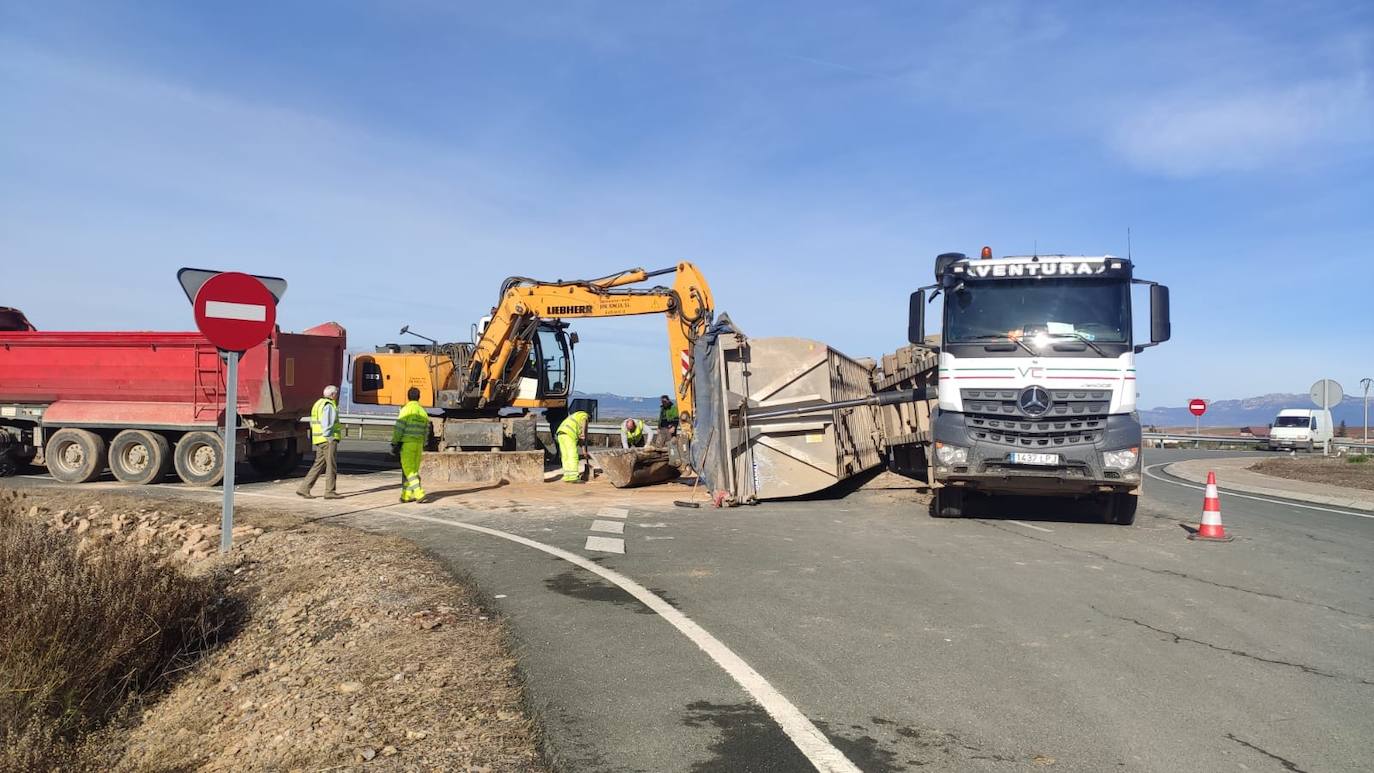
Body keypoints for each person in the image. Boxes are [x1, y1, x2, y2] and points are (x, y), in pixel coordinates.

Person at [297, 385, 342, 499]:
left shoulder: (318, 403)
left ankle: (304, 488)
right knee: (331, 465)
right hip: (328, 440)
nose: (337, 396)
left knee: (319, 464)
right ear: (333, 395)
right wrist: (329, 437)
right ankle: (330, 491)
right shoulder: (329, 405)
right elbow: (327, 423)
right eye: (336, 393)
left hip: (319, 439)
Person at [391, 387, 429, 503]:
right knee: (413, 470)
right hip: (418, 445)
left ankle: (419, 493)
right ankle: (406, 495)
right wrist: (424, 443)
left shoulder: (406, 410)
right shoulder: (423, 412)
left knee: (408, 470)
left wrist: (394, 442)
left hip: (407, 444)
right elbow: (426, 431)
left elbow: (399, 428)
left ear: (408, 397)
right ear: (419, 397)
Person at [556, 410, 590, 483]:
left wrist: (584, 451)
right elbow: (584, 420)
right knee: (572, 455)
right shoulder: (583, 414)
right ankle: (573, 477)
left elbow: (581, 441)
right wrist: (583, 433)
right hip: (569, 435)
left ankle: (568, 476)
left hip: (561, 434)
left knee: (565, 456)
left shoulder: (574, 418)